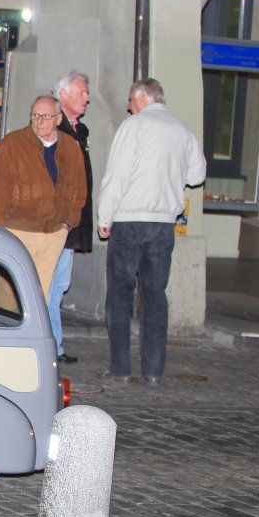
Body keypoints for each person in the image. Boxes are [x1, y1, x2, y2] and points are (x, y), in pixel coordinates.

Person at [96, 77, 207, 385]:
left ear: (142, 98)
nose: (128, 106)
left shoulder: (134, 126)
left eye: (131, 100)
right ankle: (154, 370)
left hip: (130, 220)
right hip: (163, 224)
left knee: (120, 294)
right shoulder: (182, 130)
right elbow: (197, 175)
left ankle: (120, 368)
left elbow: (117, 175)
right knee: (156, 296)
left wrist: (105, 215)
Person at [0, 94, 87, 307]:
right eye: (35, 116)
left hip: (54, 233)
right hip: (18, 231)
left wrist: (68, 222)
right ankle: (5, 329)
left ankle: (34, 330)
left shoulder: (71, 148)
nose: (39, 121)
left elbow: (80, 190)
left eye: (45, 116)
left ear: (58, 119)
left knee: (39, 296)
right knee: (9, 295)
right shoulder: (13, 144)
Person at [47, 71, 92, 364]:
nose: (87, 97)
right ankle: (51, 347)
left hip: (71, 223)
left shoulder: (79, 131)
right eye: (81, 92)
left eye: (86, 93)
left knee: (59, 285)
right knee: (52, 285)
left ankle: (55, 345)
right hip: (57, 222)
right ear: (63, 95)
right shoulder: (54, 129)